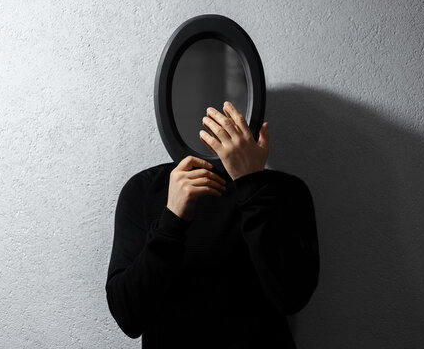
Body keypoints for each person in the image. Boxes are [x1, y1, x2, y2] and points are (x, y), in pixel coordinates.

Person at [105, 101, 319, 348]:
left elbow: (291, 298)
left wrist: (251, 184)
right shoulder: (144, 189)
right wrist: (171, 219)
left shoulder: (285, 192)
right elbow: (128, 317)